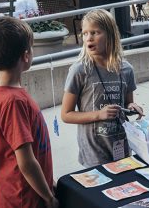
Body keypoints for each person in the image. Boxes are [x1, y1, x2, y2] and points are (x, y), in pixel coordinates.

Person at [0, 16, 58, 208]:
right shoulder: (14, 101)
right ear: (26, 55)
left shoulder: (3, 94)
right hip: (22, 200)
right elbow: (26, 162)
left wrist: (47, 180)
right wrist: (48, 197)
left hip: (19, 195)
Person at [61, 9, 143, 167]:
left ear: (110, 34)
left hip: (122, 145)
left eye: (95, 32)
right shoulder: (79, 70)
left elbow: (127, 103)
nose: (88, 38)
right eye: (85, 33)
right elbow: (66, 114)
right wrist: (99, 114)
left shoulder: (126, 69)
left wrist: (132, 107)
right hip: (94, 152)